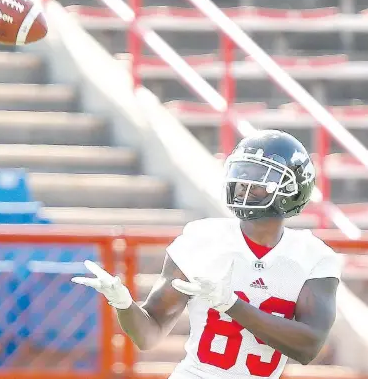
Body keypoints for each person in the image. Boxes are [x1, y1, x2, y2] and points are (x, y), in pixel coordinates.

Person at [72, 130, 342, 379]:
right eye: (242, 174)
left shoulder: (312, 257)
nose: (243, 186)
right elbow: (148, 334)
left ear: (293, 188)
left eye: (258, 179)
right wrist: (124, 305)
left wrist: (230, 304)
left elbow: (308, 347)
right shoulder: (202, 240)